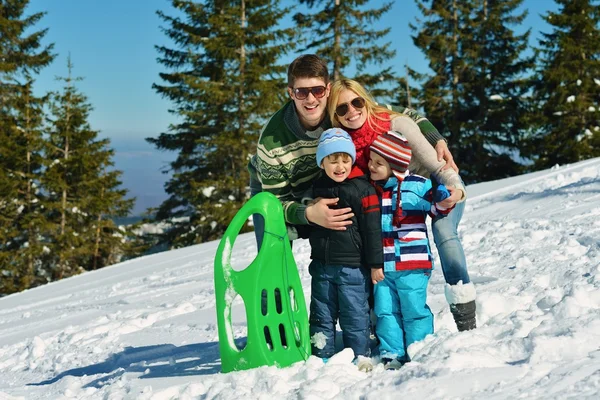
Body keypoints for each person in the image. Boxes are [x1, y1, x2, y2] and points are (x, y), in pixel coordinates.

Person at [328, 78, 477, 332]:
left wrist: (456, 190)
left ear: (366, 101)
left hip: (437, 185)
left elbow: (438, 166)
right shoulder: (343, 144)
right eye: (342, 108)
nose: (351, 111)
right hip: (396, 200)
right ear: (335, 115)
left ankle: (465, 318)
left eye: (356, 102)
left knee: (444, 233)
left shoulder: (395, 124)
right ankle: (384, 324)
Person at [368, 131, 453, 367]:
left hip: (412, 264)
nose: (371, 166)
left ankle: (420, 350)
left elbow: (437, 208)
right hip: (383, 268)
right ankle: (392, 354)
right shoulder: (373, 190)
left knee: (414, 309)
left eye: (378, 163)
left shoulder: (417, 185)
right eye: (370, 161)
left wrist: (443, 198)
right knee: (386, 312)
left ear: (394, 164)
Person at [304, 128, 383, 360]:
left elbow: (372, 230)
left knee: (354, 313)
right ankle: (321, 355)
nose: (340, 166)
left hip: (353, 267)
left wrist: (376, 264)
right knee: (321, 313)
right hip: (321, 265)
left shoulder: (363, 189)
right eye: (332, 160)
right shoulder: (316, 188)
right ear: (322, 162)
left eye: (345, 160)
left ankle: (360, 354)